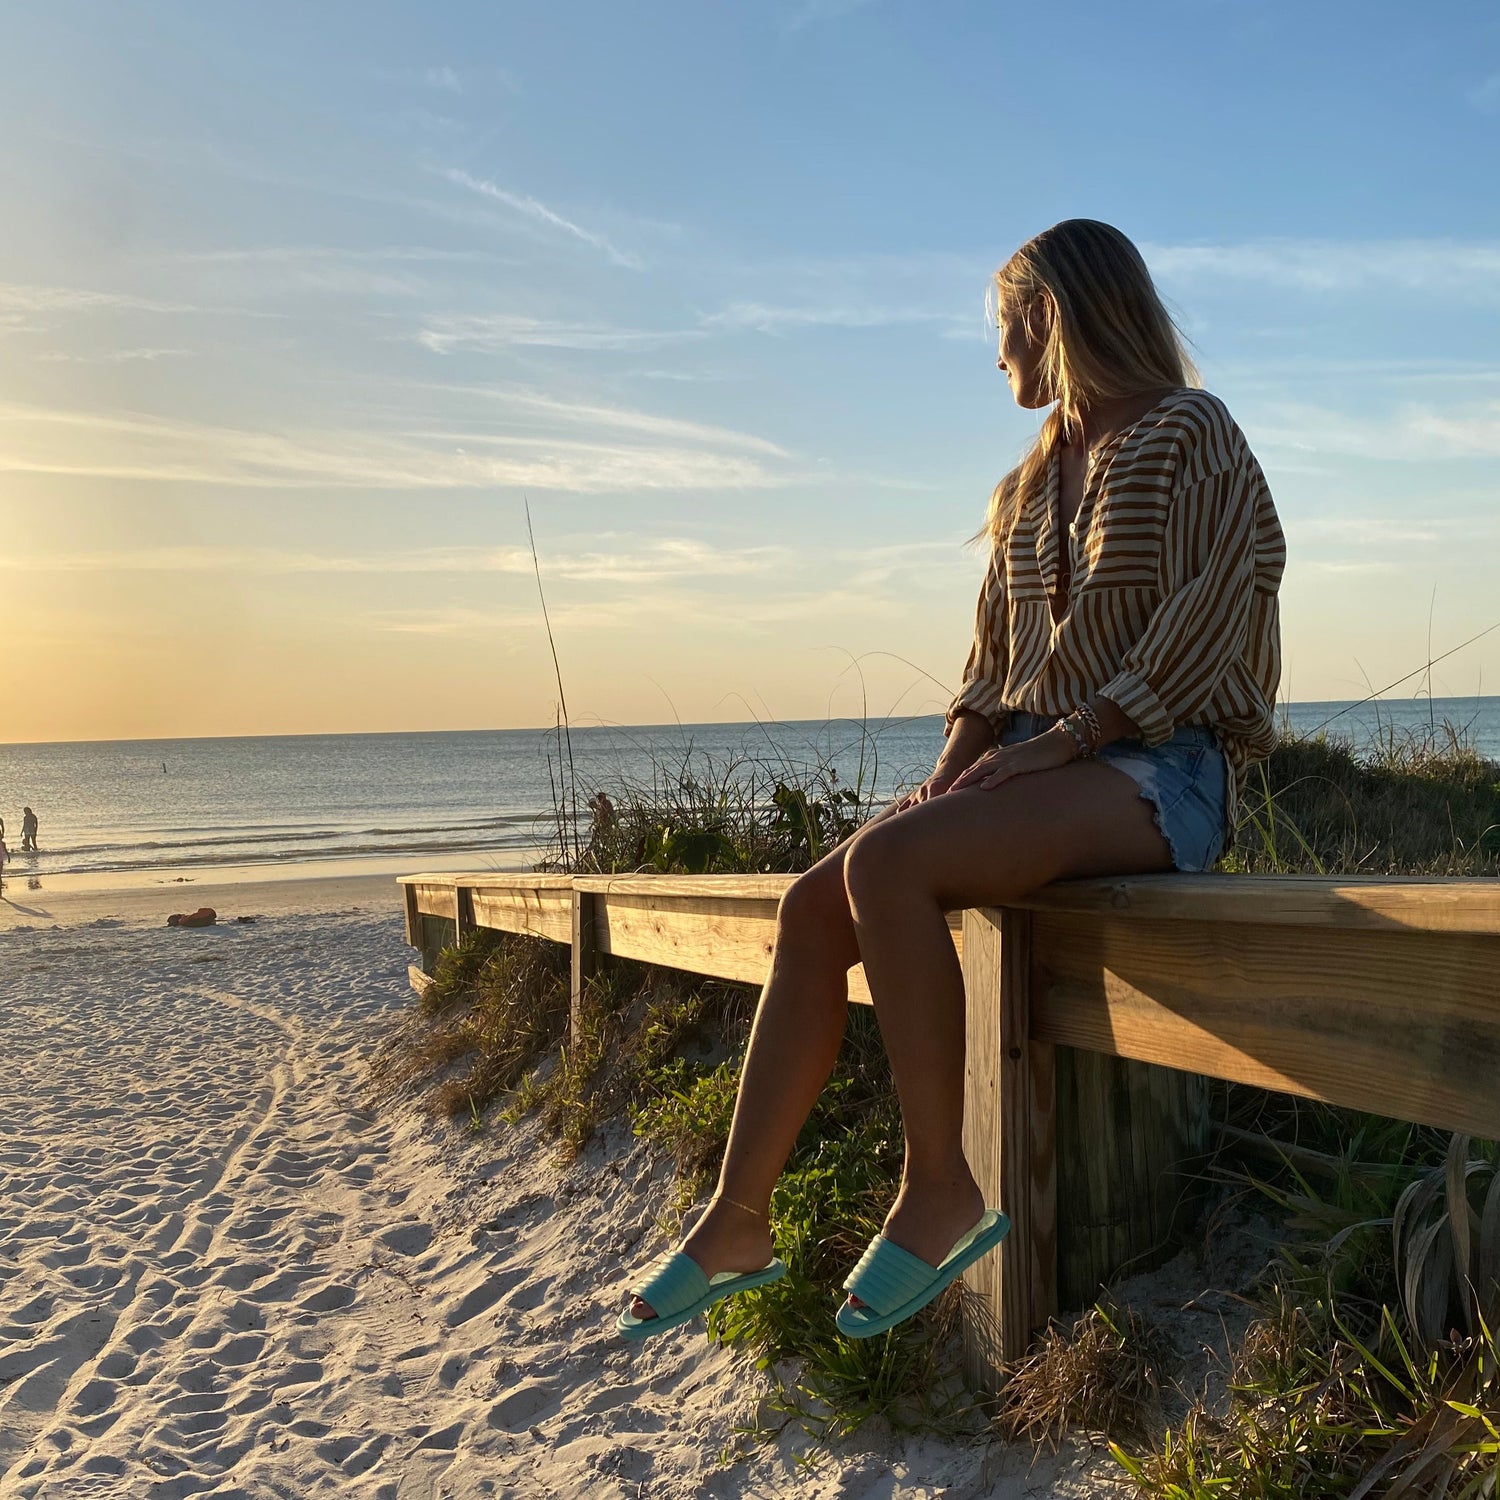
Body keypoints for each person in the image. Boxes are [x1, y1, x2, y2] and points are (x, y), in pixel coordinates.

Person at [616, 219, 1285, 1341]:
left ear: (1052, 315)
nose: (997, 356)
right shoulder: (1026, 483)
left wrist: (1064, 740)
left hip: (1157, 769)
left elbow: (1219, 605)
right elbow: (988, 666)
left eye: (1004, 327)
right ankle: (738, 1219)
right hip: (1035, 769)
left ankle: (942, 1189)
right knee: (812, 904)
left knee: (889, 866)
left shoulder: (1188, 432)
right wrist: (948, 777)